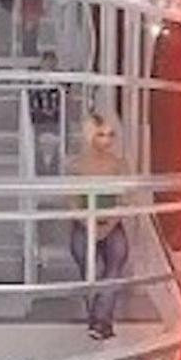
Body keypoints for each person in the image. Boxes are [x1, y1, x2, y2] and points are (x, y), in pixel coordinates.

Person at [69, 112, 130, 340]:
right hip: (83, 223)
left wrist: (108, 222)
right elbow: (72, 202)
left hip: (112, 223)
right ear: (90, 136)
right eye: (101, 135)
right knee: (88, 271)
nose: (107, 140)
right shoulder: (76, 165)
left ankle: (100, 321)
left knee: (115, 266)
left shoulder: (119, 164)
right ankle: (98, 319)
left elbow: (126, 198)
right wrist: (89, 223)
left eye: (110, 135)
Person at [29, 51, 62, 176]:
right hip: (40, 120)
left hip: (56, 119)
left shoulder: (61, 79)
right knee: (40, 145)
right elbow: (32, 100)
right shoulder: (34, 80)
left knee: (55, 145)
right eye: (46, 62)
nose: (49, 65)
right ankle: (40, 171)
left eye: (51, 62)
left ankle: (54, 170)